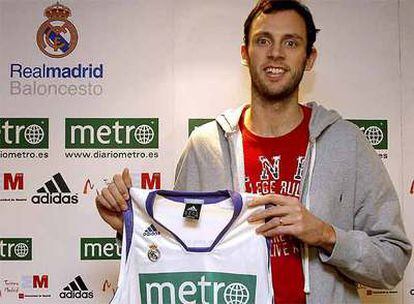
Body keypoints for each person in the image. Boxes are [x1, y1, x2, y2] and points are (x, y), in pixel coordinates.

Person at [95, 1, 412, 303]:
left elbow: (393, 261)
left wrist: (326, 235)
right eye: (263, 41)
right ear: (245, 53)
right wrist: (130, 228)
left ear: (309, 57)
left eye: (290, 43)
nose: (275, 53)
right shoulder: (205, 147)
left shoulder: (347, 143)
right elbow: (178, 253)